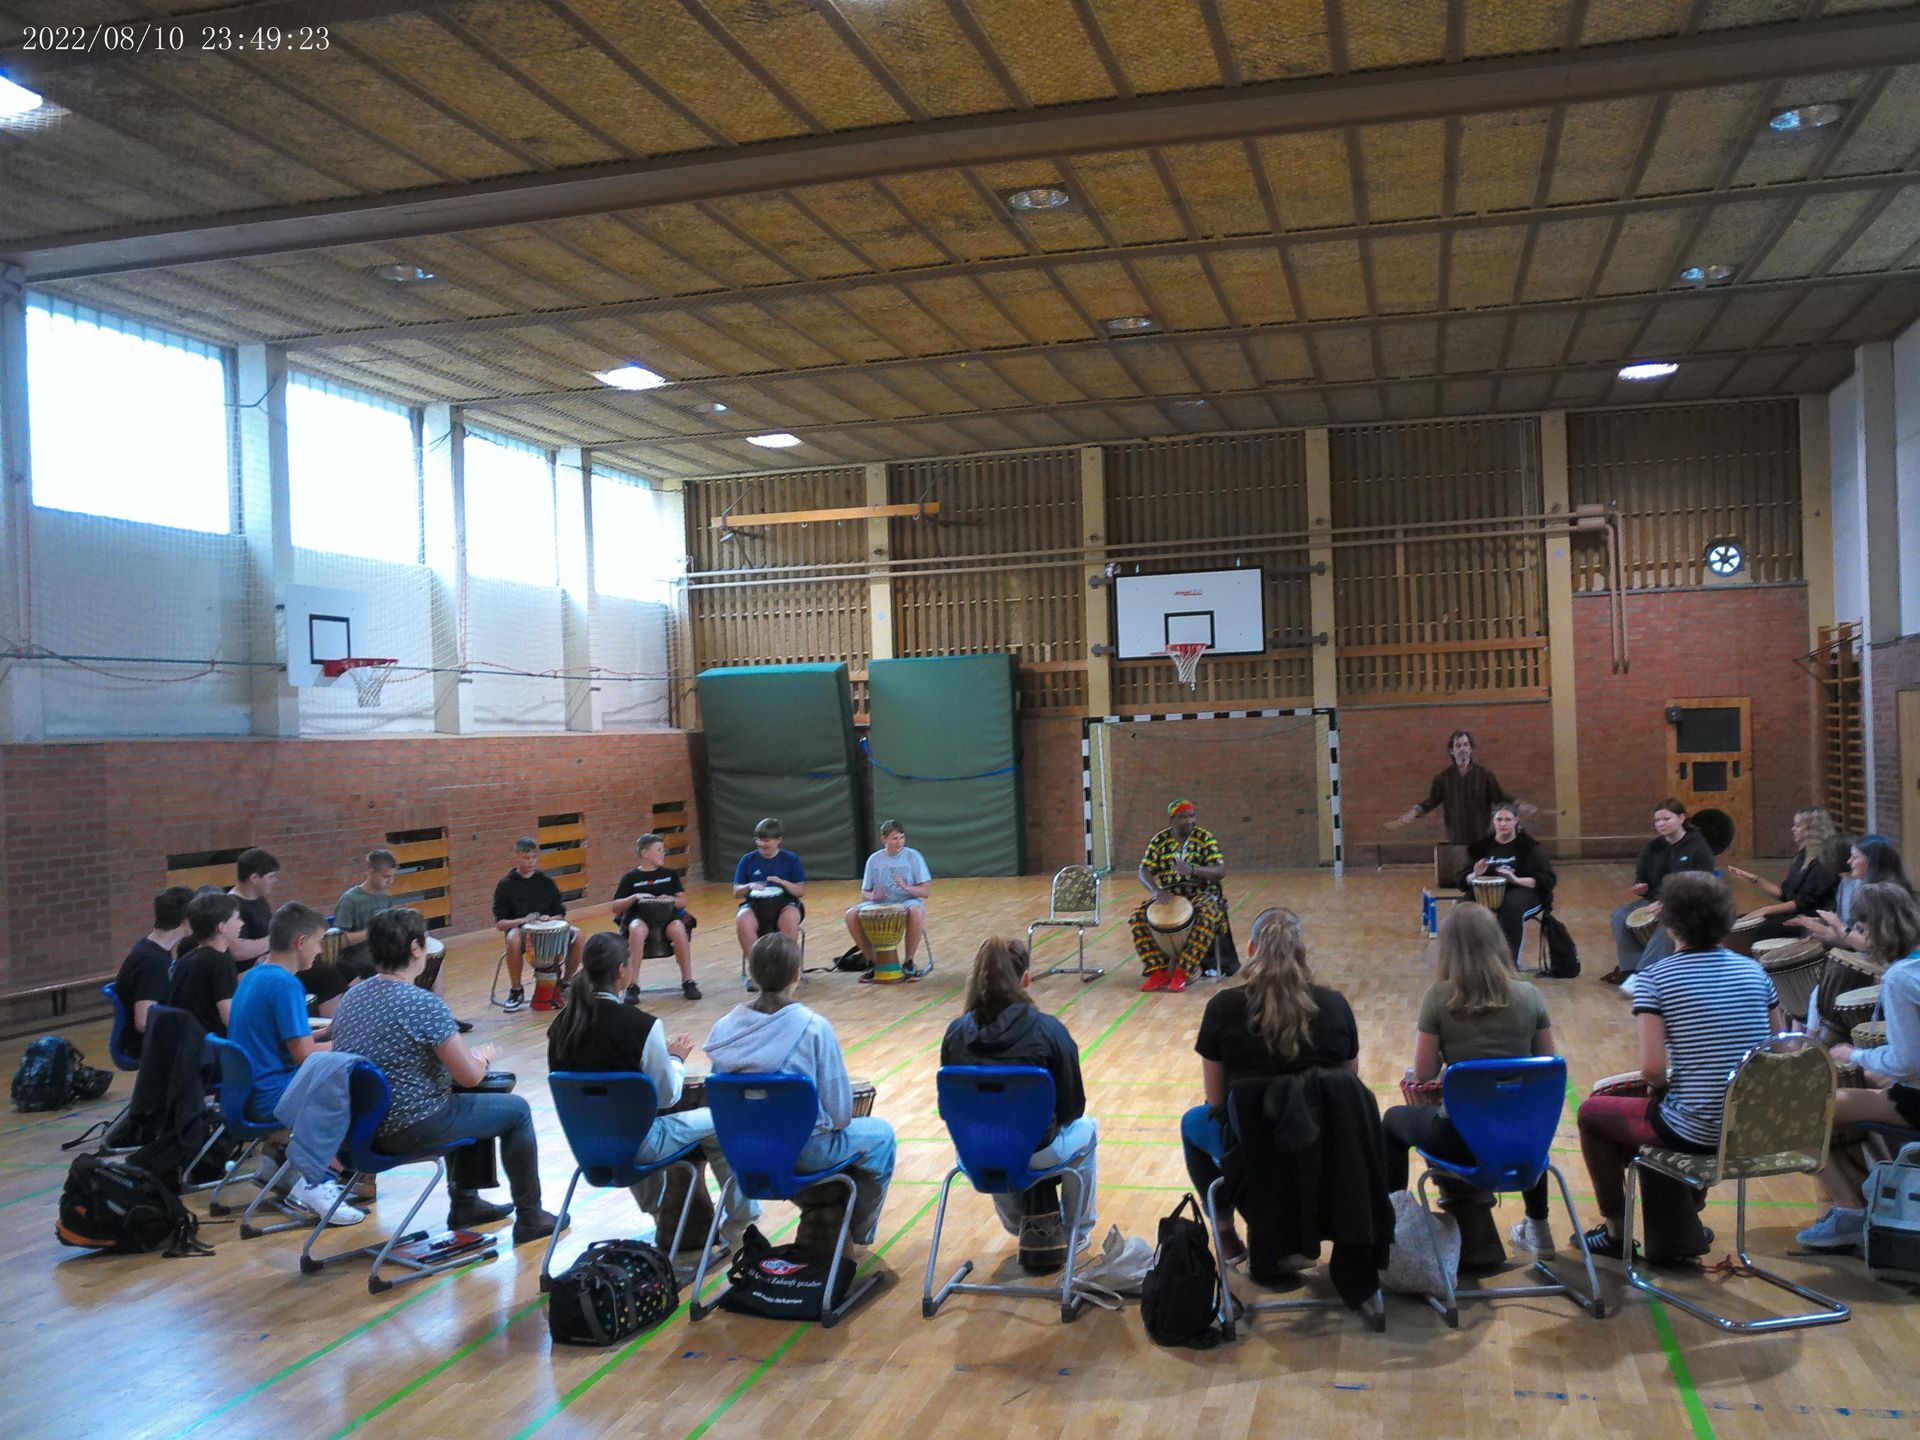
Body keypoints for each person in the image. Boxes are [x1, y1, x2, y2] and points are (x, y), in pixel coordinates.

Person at [1574, 872, 1781, 1261]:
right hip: (1752, 1126)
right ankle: (1683, 1220)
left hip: (1697, 1130)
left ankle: (1616, 1232)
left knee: (1592, 1113)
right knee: (1658, 1110)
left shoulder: (1656, 978)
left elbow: (1653, 1071)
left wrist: (1660, 1090)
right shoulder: (1755, 971)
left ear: (1668, 923)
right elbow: (1780, 1049)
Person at [328, 908, 562, 1243]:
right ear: (415, 949)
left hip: (355, 1130)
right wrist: (481, 1058)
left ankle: (467, 1203)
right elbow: (468, 1076)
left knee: (470, 1099)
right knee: (516, 1110)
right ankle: (530, 1217)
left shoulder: (352, 998)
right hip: (409, 1127)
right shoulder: (424, 1004)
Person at [547, 933, 756, 1251]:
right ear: (622, 970)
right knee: (725, 1120)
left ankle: (662, 1215)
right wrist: (675, 1059)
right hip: (640, 1143)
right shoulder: (641, 1026)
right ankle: (742, 1222)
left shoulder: (560, 1026)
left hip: (586, 1145)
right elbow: (668, 1095)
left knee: (625, 1124)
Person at [1380, 904, 1559, 1272]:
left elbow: (1423, 1073)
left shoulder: (1438, 997)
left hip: (1461, 1139)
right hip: (1522, 1139)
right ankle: (1538, 1227)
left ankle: (1391, 1228)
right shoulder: (1530, 996)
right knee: (1528, 1127)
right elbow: (1547, 1067)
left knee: (1392, 1122)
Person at [1181, 907, 1359, 1264]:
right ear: (1302, 953)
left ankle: (1226, 1235)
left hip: (1250, 1144)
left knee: (1192, 1123)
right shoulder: (1335, 1005)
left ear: (1250, 950)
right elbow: (1349, 1091)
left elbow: (1216, 1101)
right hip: (1323, 1143)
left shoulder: (1222, 1008)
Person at [705, 934, 896, 1248]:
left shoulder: (723, 1028)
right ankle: (860, 1233)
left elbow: (721, 1100)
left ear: (752, 973)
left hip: (742, 1149)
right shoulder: (813, 1027)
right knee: (882, 1136)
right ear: (796, 975)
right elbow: (840, 1115)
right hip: (803, 1150)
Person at [939, 937, 1097, 1273]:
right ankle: (1077, 1232)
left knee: (995, 1136)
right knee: (1087, 1130)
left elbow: (948, 1110)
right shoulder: (1049, 1030)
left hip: (976, 1152)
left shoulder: (955, 1033)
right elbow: (1073, 1108)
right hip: (1038, 1149)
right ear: (1025, 979)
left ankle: (1017, 1222)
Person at [1796, 882, 1920, 1253]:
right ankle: (1880, 1194)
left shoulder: (1899, 979)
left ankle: (1850, 1211)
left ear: (1870, 927)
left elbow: (1907, 1062)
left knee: (1809, 1109)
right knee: (1865, 1088)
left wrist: (1855, 1055)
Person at [225, 902, 365, 1225]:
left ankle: (277, 1164)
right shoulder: (285, 984)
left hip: (248, 1090)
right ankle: (319, 1181)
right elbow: (305, 1057)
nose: (320, 951)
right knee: (359, 1085)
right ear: (301, 942)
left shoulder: (255, 974)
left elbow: (280, 1040)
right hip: (271, 1094)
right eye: (318, 942)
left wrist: (321, 1035)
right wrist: (350, 1045)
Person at [1601, 797, 1717, 990]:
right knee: (1619, 917)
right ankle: (1629, 970)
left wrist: (1666, 903)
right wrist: (1642, 887)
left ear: (1681, 818)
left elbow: (1703, 883)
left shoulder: (1698, 847)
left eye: (1666, 819)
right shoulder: (1652, 847)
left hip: (1688, 902)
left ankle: (1645, 975)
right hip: (1654, 900)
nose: (1660, 824)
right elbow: (1642, 876)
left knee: (1668, 922)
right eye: (1657, 820)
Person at [1131, 799, 1229, 993]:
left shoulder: (1204, 838)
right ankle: (1158, 971)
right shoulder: (1160, 840)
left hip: (1201, 893)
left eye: (1192, 816)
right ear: (1172, 819)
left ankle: (1182, 972)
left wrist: (1192, 870)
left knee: (1207, 915)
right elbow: (1143, 870)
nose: (1190, 820)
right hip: (1170, 894)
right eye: (1183, 817)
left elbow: (1220, 870)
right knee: (1138, 917)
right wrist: (1156, 891)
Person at [1387, 730, 1534, 847]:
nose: (1462, 749)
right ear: (1452, 751)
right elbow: (1430, 802)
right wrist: (1412, 813)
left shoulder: (1484, 775)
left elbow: (1500, 796)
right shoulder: (1443, 778)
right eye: (1458, 745)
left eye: (1465, 744)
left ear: (1471, 748)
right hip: (1456, 835)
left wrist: (1520, 805)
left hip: (1481, 834)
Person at [1724, 807, 1840, 954]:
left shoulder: (1824, 861)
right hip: (1796, 914)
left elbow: (1802, 903)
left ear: (1811, 830)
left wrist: (1763, 911)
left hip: (1810, 920)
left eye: (1797, 825)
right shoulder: (1802, 856)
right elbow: (1785, 894)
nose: (1793, 829)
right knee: (1739, 920)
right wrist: (1756, 880)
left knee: (1754, 930)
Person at [494, 836, 584, 1014]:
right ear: (517, 857)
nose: (531, 861)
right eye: (526, 857)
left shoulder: (546, 882)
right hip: (522, 932)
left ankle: (565, 983)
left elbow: (561, 914)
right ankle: (516, 990)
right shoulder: (505, 885)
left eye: (534, 857)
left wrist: (550, 918)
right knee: (512, 939)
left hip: (548, 930)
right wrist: (523, 920)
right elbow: (500, 924)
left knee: (579, 935)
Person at [1460, 800, 1556, 963]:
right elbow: (1462, 879)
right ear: (1493, 821)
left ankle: (1508, 965)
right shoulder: (1480, 848)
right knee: (1464, 907)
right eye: (1499, 819)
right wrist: (1474, 874)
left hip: (1524, 892)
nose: (1503, 824)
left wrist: (1515, 879)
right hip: (1487, 892)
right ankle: (1471, 963)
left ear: (1516, 821)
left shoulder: (1528, 847)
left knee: (1510, 906)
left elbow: (1548, 879)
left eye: (1507, 819)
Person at [612, 833, 701, 1002]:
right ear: (645, 853)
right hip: (640, 917)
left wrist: (671, 899)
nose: (663, 853)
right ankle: (632, 985)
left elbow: (683, 901)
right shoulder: (630, 878)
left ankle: (688, 980)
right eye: (659, 850)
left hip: (667, 917)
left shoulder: (669, 875)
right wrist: (634, 897)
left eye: (663, 850)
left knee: (678, 928)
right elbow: (615, 906)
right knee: (636, 929)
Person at [112, 885, 195, 1063]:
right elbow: (143, 1022)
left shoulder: (152, 947)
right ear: (186, 920)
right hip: (143, 1044)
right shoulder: (153, 962)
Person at [1790, 834, 1910, 950]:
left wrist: (1834, 927)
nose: (1849, 861)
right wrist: (1826, 923)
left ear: (1871, 861)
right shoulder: (1861, 886)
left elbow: (1869, 945)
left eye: (1855, 857)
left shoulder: (1880, 893)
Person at [845, 819, 932, 974]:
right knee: (851, 915)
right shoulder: (874, 860)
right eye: (895, 838)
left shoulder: (914, 857)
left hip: (907, 901)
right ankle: (871, 961)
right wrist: (873, 895)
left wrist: (906, 887)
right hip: (880, 904)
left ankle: (909, 961)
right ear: (883, 839)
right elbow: (864, 894)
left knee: (916, 911)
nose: (899, 842)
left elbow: (925, 892)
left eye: (902, 838)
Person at [166, 890, 245, 1038]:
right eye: (238, 918)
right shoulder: (220, 961)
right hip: (209, 1044)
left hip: (185, 1041)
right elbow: (229, 1017)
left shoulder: (186, 959)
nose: (242, 923)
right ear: (222, 927)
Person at [732, 818, 806, 961]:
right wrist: (749, 886)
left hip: (785, 903)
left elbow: (801, 890)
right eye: (759, 840)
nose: (761, 844)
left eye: (766, 841)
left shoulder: (790, 859)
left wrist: (783, 883)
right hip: (755, 904)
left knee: (789, 919)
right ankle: (757, 965)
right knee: (743, 919)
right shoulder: (747, 860)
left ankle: (786, 966)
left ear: (778, 840)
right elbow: (736, 892)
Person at [331, 848, 399, 981]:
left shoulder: (386, 897)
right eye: (386, 877)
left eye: (393, 876)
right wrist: (372, 932)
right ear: (370, 872)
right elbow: (338, 942)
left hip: (380, 953)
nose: (391, 882)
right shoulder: (350, 900)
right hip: (358, 959)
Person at [227, 848, 280, 969]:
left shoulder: (259, 899)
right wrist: (278, 938)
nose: (275, 881)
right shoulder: (231, 905)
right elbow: (237, 951)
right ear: (254, 878)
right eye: (271, 876)